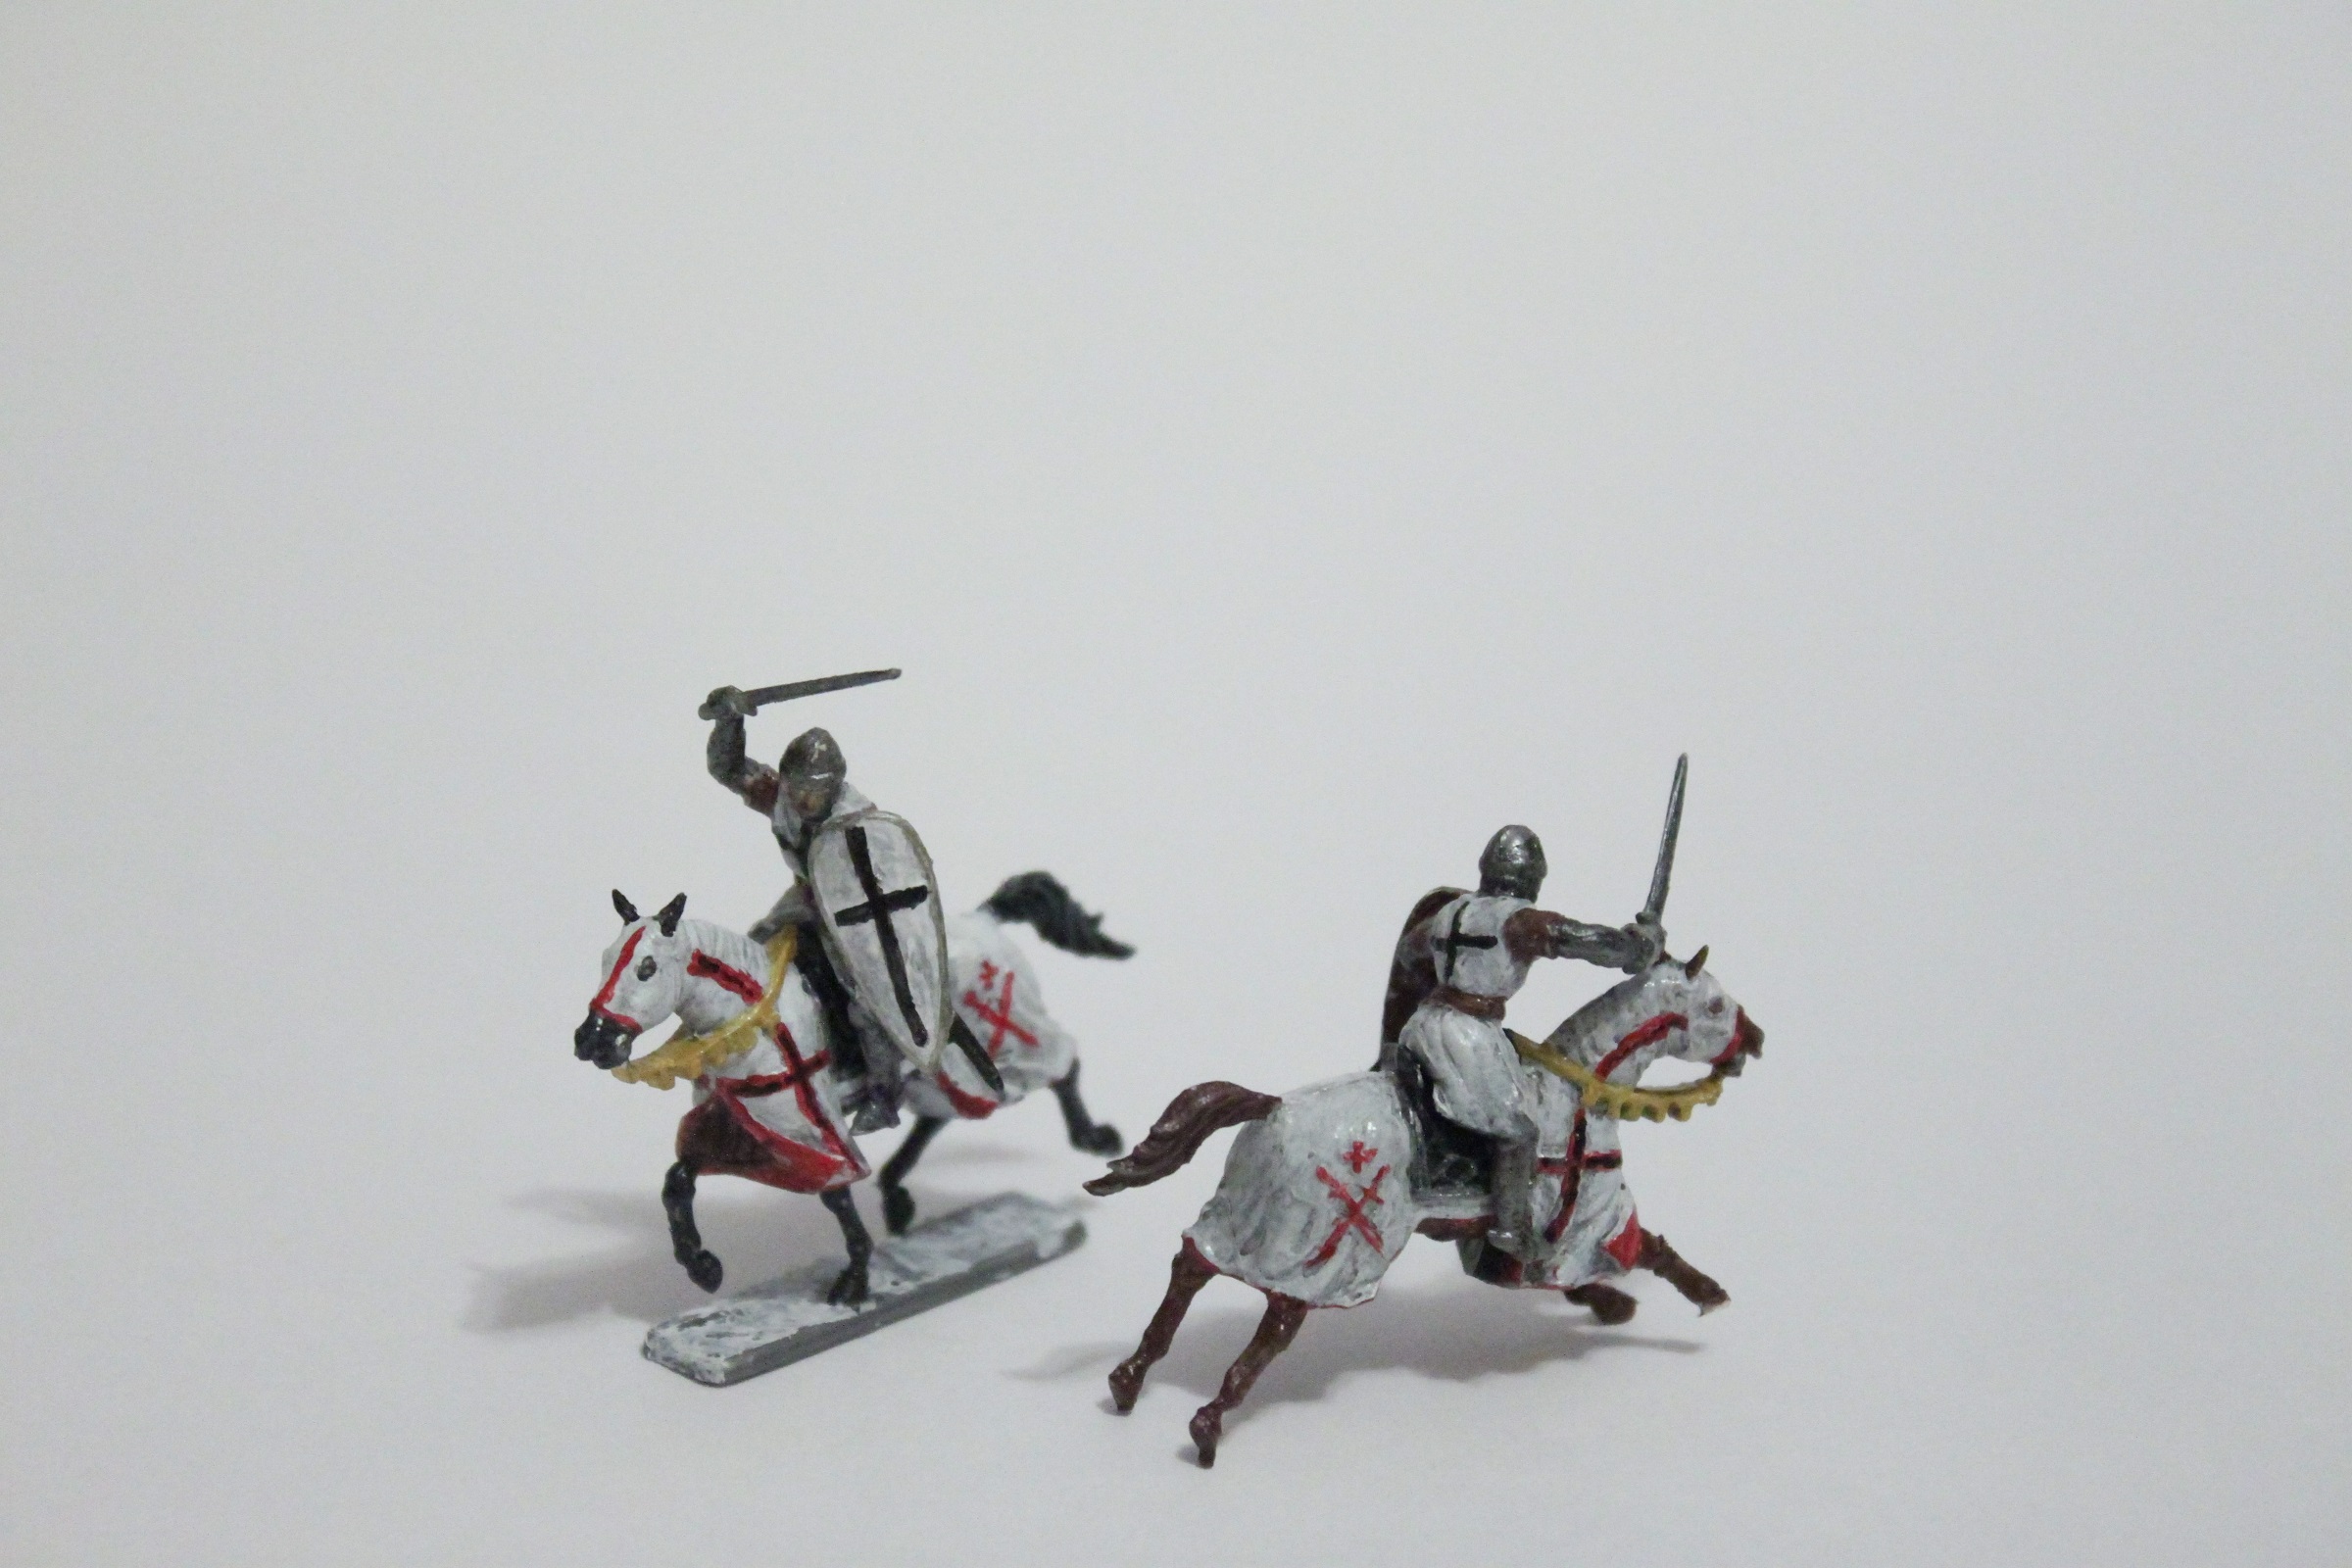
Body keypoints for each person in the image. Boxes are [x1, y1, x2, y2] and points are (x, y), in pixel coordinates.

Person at [1383, 824, 1660, 1260]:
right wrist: (1637, 948)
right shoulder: (1517, 920)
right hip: (1466, 1034)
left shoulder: (1448, 913)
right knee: (1518, 1130)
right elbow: (1587, 941)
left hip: (1424, 1024)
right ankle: (1510, 1230)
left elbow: (1408, 954)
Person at [703, 686, 909, 1130]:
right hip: (807, 898)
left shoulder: (862, 824)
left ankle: (883, 1094)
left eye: (813, 792)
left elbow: (893, 882)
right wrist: (729, 721)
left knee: (866, 1001)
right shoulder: (781, 796)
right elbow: (727, 768)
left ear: (833, 787)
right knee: (753, 954)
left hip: (857, 918)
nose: (802, 801)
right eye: (796, 789)